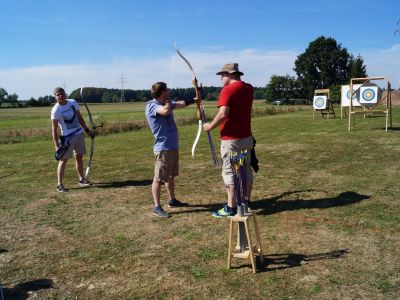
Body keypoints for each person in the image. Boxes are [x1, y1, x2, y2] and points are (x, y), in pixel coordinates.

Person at [203, 63, 255, 218]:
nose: (221, 78)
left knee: (230, 172)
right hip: (246, 138)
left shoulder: (227, 90)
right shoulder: (249, 88)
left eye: (223, 74)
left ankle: (231, 207)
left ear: (230, 74)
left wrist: (210, 126)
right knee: (244, 170)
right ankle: (245, 201)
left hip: (231, 140)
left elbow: (223, 114)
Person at [145, 82, 195, 218]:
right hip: (163, 148)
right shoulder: (152, 105)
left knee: (171, 176)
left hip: (172, 146)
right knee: (158, 178)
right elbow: (166, 111)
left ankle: (172, 200)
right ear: (162, 92)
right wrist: (168, 103)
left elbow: (180, 104)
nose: (169, 91)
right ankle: (157, 207)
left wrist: (194, 100)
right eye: (166, 90)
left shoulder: (166, 103)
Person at [51, 87, 94, 192]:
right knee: (63, 160)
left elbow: (79, 117)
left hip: (79, 134)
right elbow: (54, 129)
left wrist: (87, 130)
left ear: (66, 94)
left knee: (79, 157)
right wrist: (56, 145)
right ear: (55, 96)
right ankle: (59, 185)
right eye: (58, 94)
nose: (60, 96)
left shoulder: (73, 103)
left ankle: (81, 179)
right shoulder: (56, 110)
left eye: (62, 93)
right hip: (67, 138)